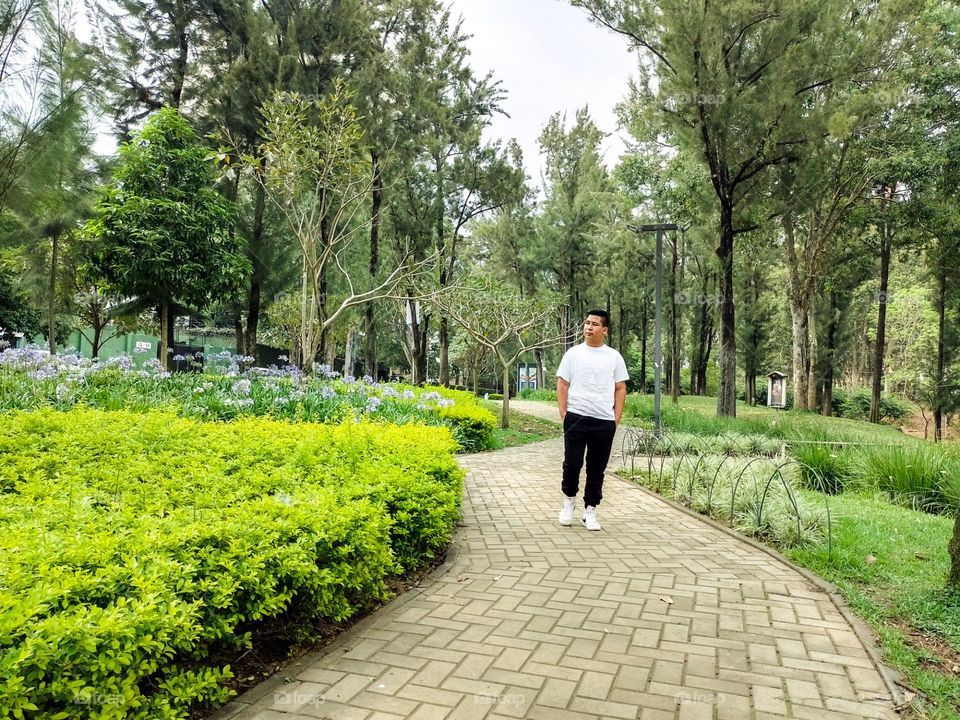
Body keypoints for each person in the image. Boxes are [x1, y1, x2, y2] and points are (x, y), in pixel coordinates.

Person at [556, 310, 629, 531]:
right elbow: (562, 384)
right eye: (587, 323)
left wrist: (615, 419)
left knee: (596, 468)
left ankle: (590, 510)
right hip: (576, 417)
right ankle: (569, 501)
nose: (589, 327)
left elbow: (620, 387)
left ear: (604, 330)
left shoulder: (613, 357)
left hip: (603, 421)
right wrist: (564, 414)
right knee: (572, 464)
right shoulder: (573, 354)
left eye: (594, 324)